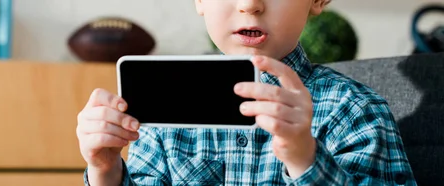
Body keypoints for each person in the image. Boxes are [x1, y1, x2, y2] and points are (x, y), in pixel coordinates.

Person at [76, 0, 417, 185]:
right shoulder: (164, 108)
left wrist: (304, 158)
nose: (250, 4)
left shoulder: (356, 110)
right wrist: (105, 171)